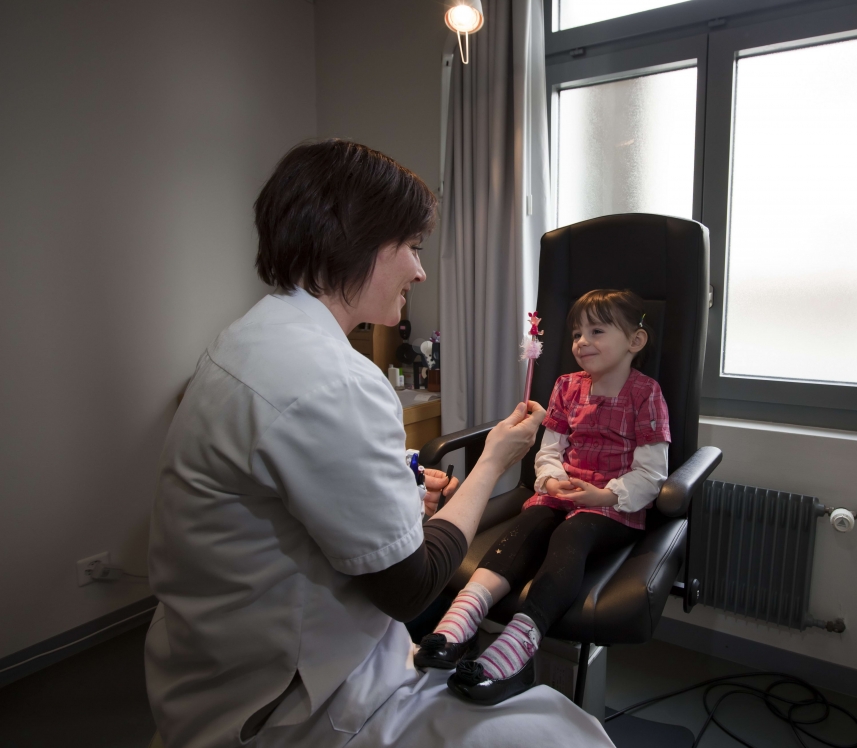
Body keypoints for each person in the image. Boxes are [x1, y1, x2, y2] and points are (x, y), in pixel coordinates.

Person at [144, 140, 614, 748]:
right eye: (413, 248)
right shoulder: (334, 380)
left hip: (204, 676)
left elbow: (302, 494)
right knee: (572, 735)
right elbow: (411, 587)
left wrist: (402, 493)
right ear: (357, 241)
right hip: (298, 704)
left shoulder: (246, 340)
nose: (420, 271)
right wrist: (494, 460)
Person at [416, 289, 671, 706]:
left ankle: (518, 648)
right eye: (576, 334)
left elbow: (651, 473)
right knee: (528, 525)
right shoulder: (566, 387)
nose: (582, 341)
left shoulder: (646, 395)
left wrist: (605, 495)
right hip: (561, 495)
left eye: (596, 331)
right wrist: (551, 480)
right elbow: (550, 449)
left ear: (635, 341)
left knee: (571, 536)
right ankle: (459, 623)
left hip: (610, 508)